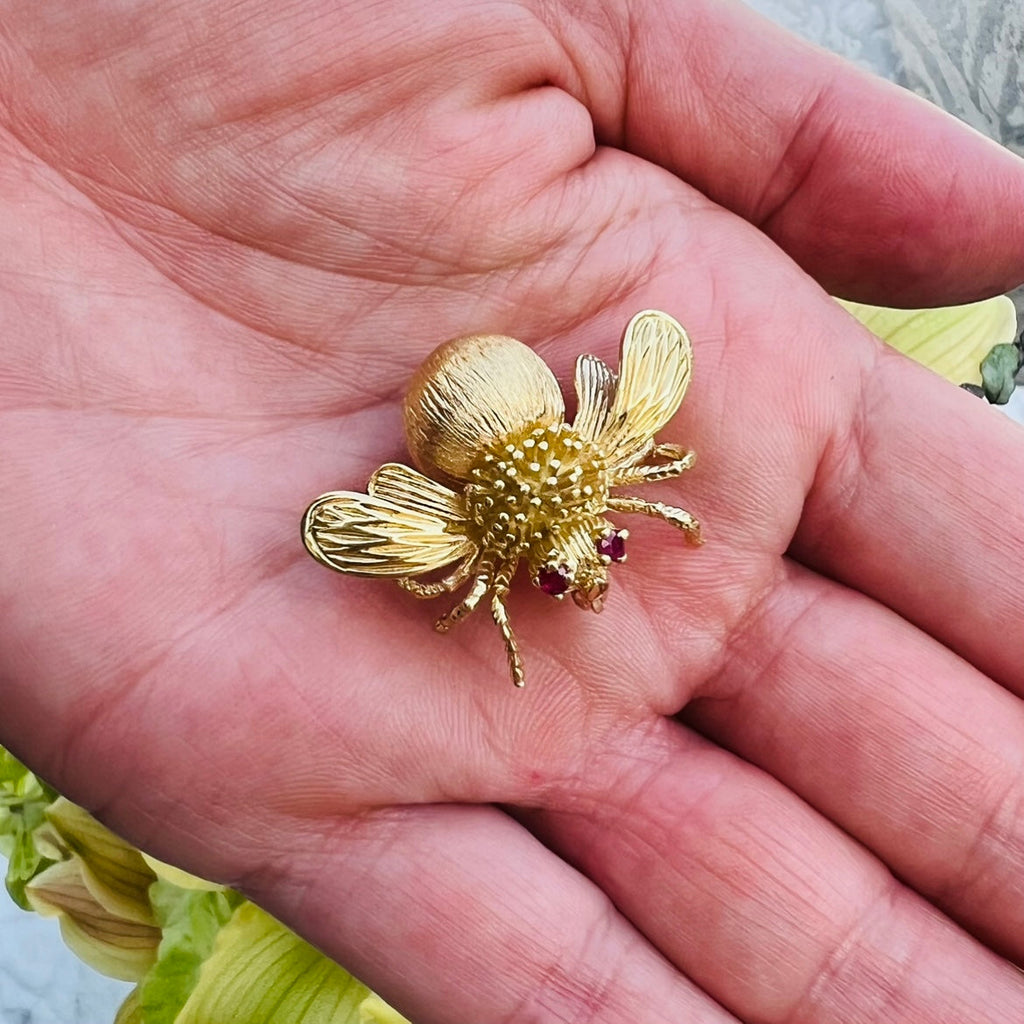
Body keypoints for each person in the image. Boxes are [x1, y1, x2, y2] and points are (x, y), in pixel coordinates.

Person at [2, 2, 1023, 1020]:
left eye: (597, 551)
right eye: (584, 562)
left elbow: (495, 557)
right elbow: (461, 555)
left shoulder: (558, 496)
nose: (591, 576)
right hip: (475, 420)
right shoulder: (533, 497)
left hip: (489, 422)